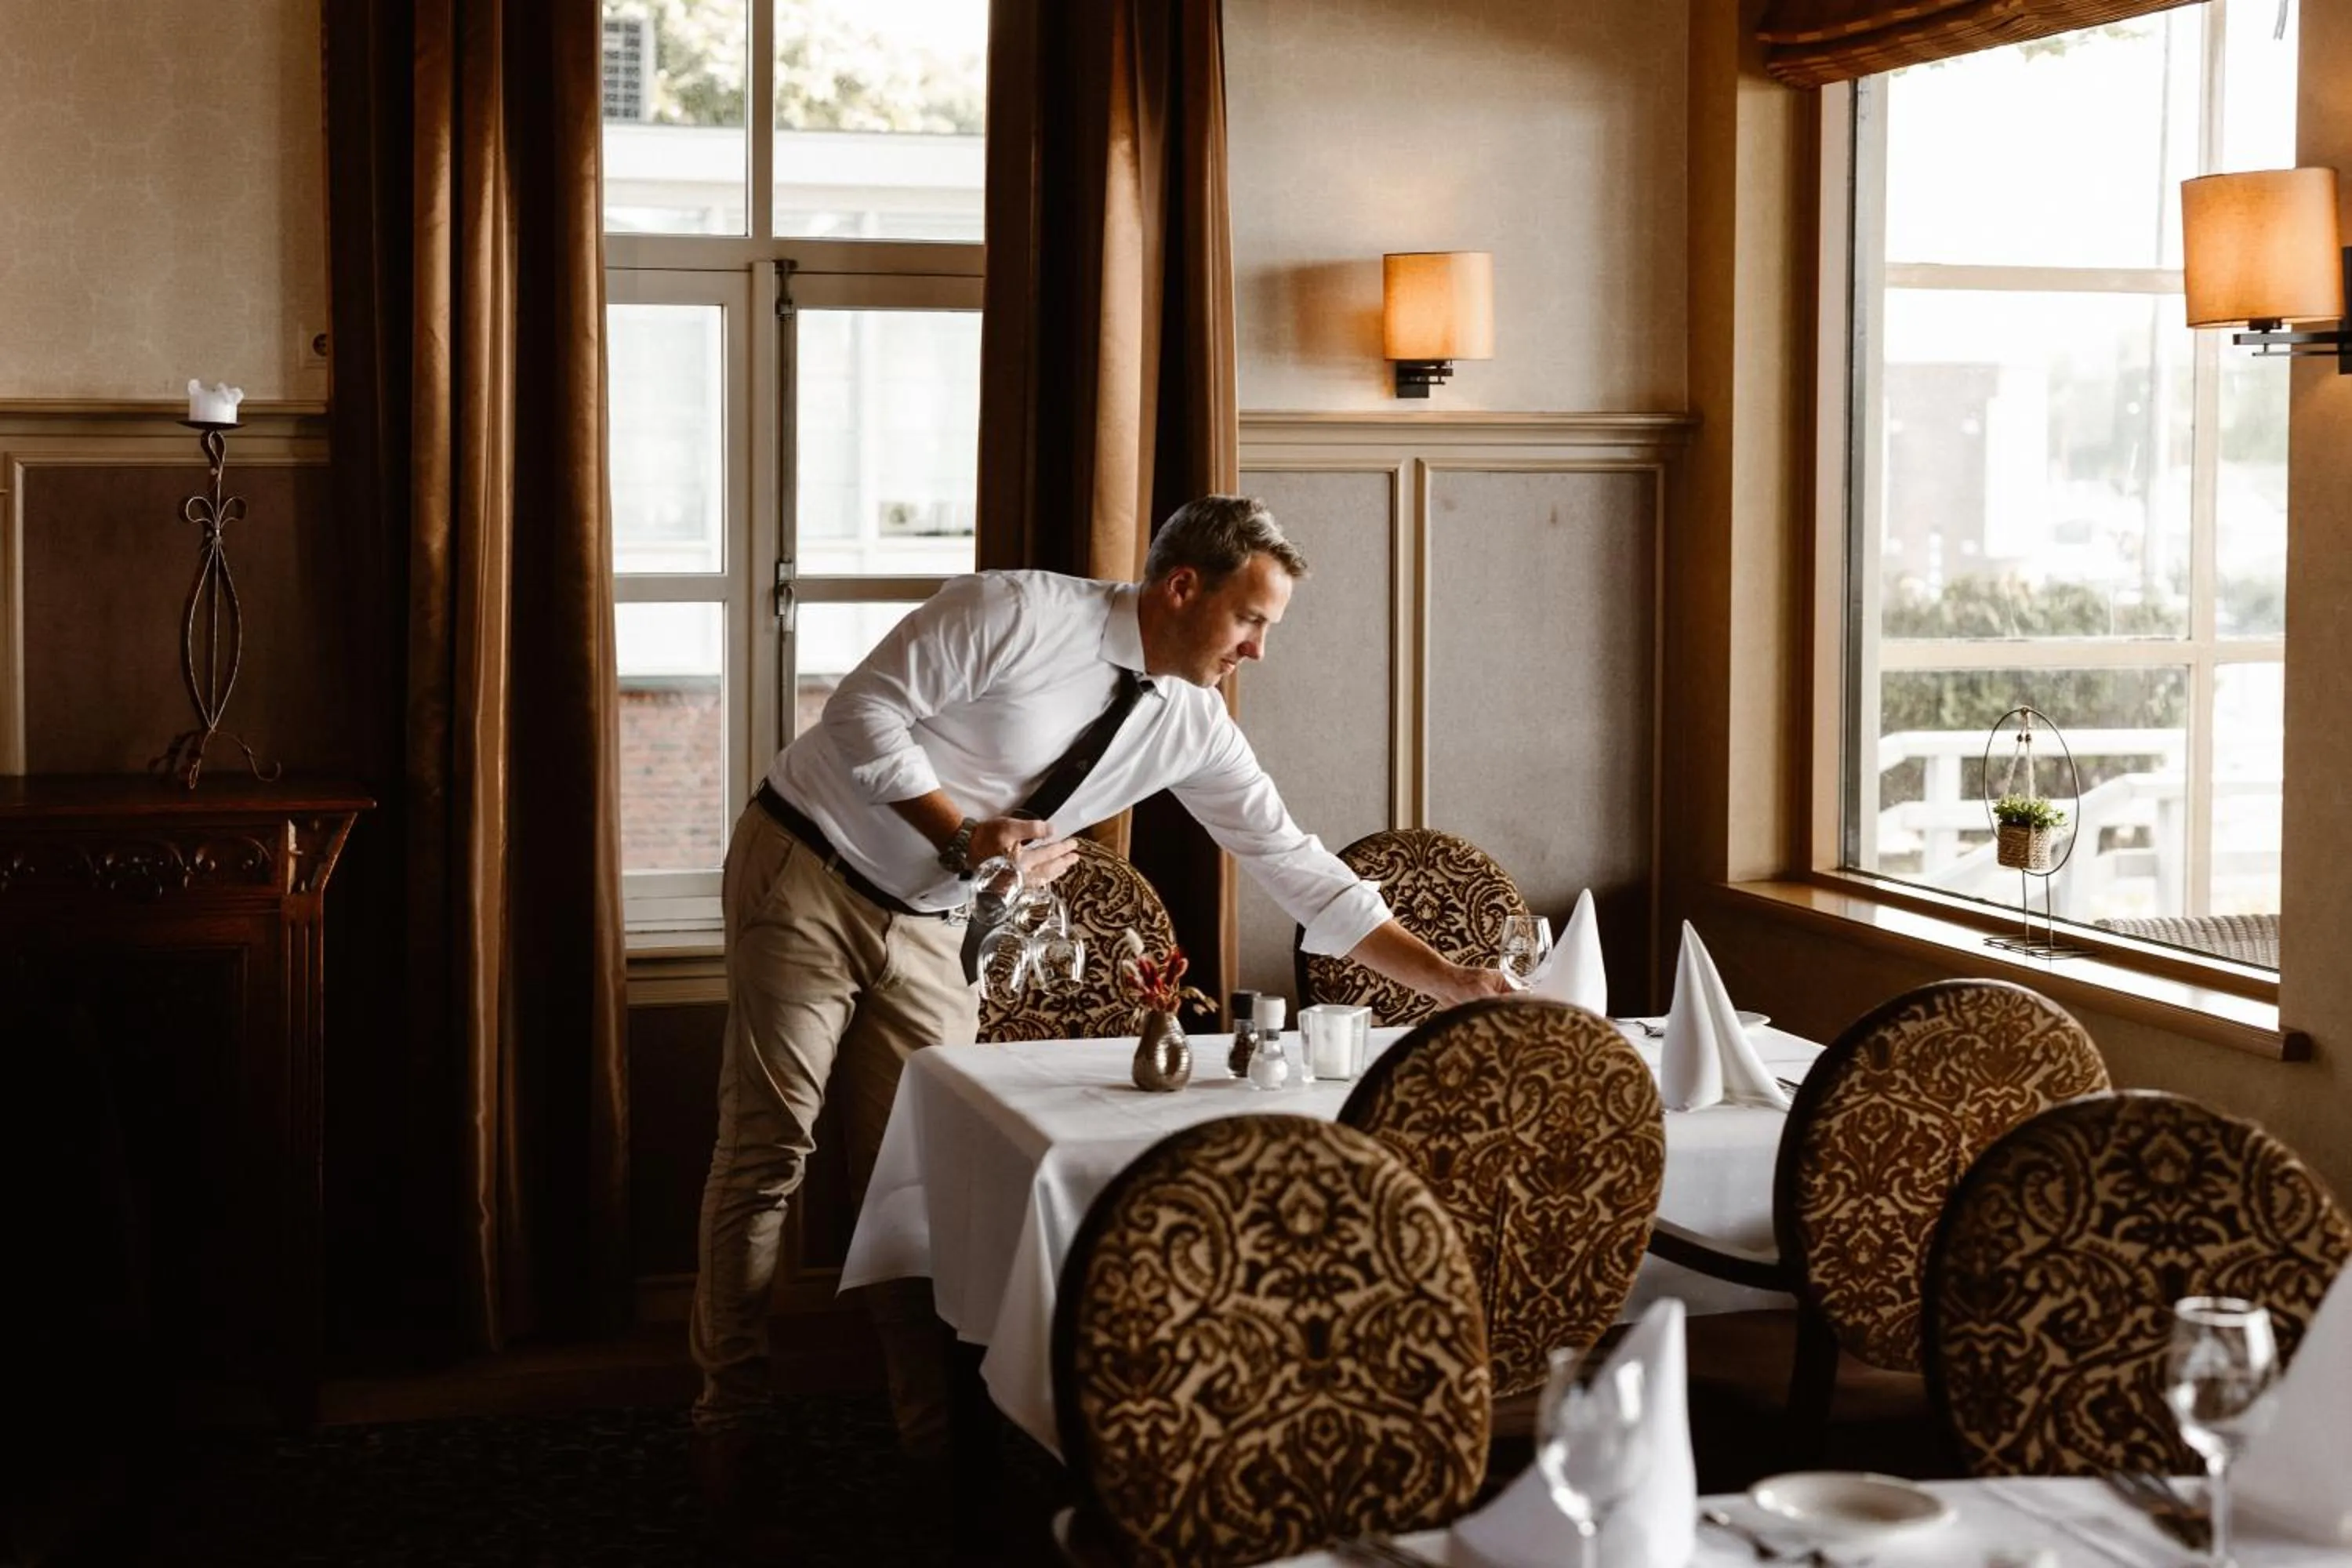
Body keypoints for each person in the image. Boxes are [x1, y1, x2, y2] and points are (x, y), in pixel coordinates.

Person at [688, 494, 1512, 1541]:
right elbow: (859, 715)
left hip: (939, 924)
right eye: (1250, 620)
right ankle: (730, 1429)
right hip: (808, 866)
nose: (1259, 649)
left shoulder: (1192, 723)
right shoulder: (1017, 612)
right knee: (770, 1156)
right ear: (1183, 587)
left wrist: (1451, 980)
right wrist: (964, 835)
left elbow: (1297, 867)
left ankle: (934, 1454)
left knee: (916, 1180)